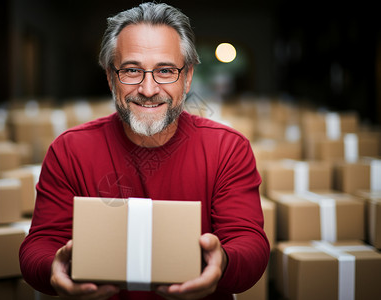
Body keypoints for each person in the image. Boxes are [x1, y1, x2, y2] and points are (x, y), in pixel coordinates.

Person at [19, 2, 270, 299]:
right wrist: (53, 268)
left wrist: (224, 261)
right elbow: (40, 244)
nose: (148, 89)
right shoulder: (69, 150)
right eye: (131, 70)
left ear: (187, 77)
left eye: (165, 71)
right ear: (111, 78)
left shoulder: (228, 148)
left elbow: (249, 242)